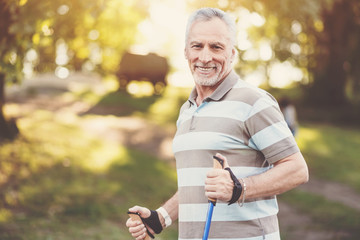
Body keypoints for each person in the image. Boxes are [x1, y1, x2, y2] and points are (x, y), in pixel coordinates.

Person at [126, 7, 309, 240]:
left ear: (232, 54)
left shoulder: (254, 102)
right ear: (185, 52)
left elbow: (297, 169)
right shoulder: (186, 110)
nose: (205, 57)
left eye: (216, 47)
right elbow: (197, 185)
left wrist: (239, 188)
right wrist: (161, 217)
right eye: (197, 46)